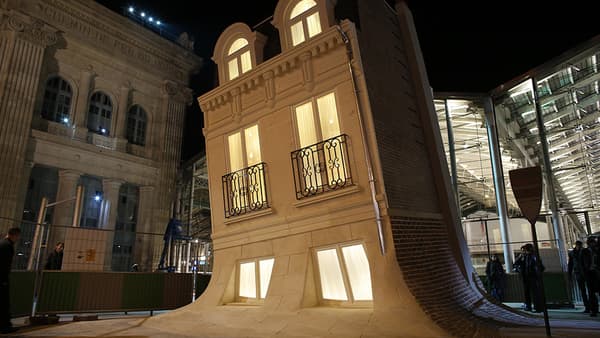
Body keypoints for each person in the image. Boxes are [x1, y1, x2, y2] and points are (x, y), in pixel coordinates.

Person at [0, 227, 21, 334]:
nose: (18, 239)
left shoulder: (3, 243)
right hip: (2, 279)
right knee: (3, 303)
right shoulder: (7, 246)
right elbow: (4, 264)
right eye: (17, 236)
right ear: (15, 235)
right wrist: (3, 280)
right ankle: (4, 326)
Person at [514, 243, 544, 312]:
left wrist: (536, 274)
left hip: (533, 277)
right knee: (527, 293)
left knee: (535, 293)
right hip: (526, 277)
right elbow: (516, 263)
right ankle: (528, 306)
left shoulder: (534, 256)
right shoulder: (524, 257)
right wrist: (520, 256)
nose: (524, 251)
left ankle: (538, 307)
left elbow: (539, 266)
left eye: (524, 249)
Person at [568, 240, 590, 313]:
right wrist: (570, 273)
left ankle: (589, 307)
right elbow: (570, 264)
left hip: (584, 273)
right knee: (584, 291)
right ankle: (587, 307)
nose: (578, 246)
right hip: (580, 273)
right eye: (578, 245)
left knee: (588, 291)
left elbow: (570, 264)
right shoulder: (572, 253)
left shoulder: (584, 251)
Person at [582, 237, 600, 317]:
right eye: (592, 242)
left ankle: (595, 309)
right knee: (591, 293)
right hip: (590, 273)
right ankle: (594, 310)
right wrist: (584, 274)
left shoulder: (597, 251)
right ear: (589, 243)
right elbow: (582, 263)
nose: (594, 244)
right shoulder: (584, 252)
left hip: (597, 273)